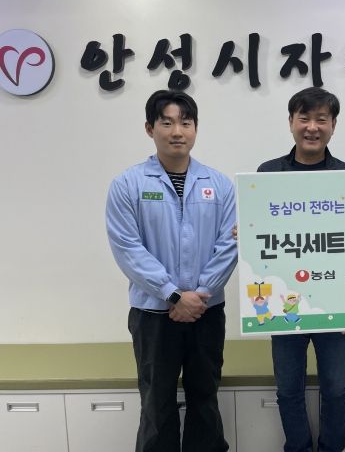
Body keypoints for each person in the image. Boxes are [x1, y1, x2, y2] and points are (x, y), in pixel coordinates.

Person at [106, 90, 237, 452]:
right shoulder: (128, 184)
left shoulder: (219, 185)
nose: (177, 131)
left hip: (206, 312)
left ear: (195, 129)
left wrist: (199, 295)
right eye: (167, 122)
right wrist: (173, 294)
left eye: (186, 122)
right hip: (153, 313)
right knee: (156, 402)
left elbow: (229, 244)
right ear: (150, 128)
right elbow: (127, 248)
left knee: (205, 398)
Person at [257, 86, 345, 452]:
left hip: (334, 302)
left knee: (336, 388)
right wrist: (246, 232)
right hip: (285, 302)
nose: (312, 127)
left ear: (333, 125)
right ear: (291, 122)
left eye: (321, 119)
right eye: (304, 118)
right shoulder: (267, 174)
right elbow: (259, 233)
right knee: (287, 389)